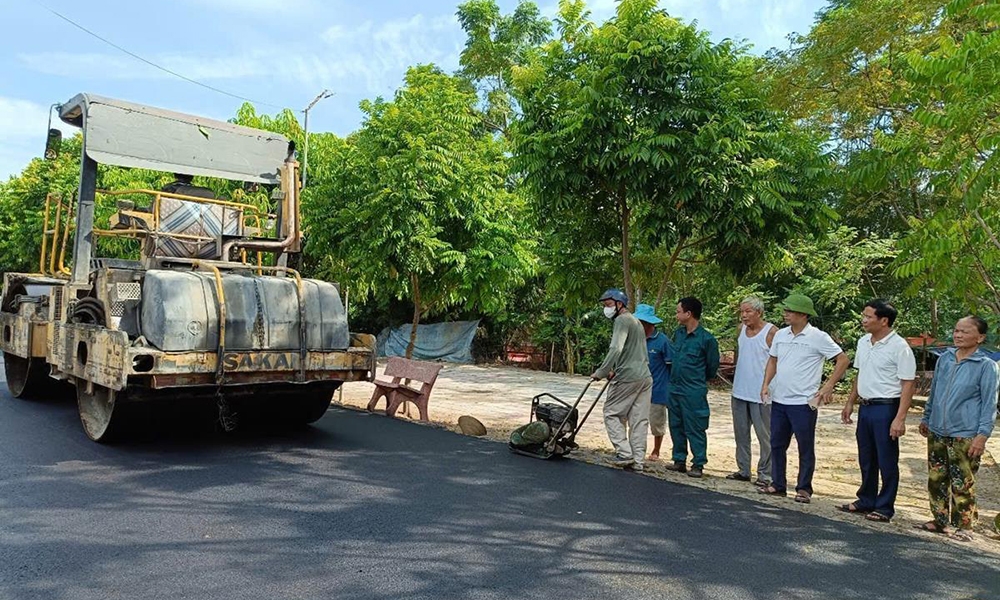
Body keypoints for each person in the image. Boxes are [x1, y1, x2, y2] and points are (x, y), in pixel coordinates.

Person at [759, 293, 849, 503]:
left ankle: (804, 488)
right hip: (780, 399)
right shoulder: (781, 334)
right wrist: (765, 384)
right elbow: (773, 361)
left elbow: (842, 359)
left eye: (790, 310)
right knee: (777, 443)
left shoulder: (818, 337)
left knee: (805, 446)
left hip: (803, 401)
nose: (786, 314)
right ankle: (778, 484)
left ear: (803, 314)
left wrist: (828, 386)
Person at [916, 316, 998, 542]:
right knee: (936, 477)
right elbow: (934, 392)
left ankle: (964, 526)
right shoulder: (945, 359)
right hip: (937, 430)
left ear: (980, 337)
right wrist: (926, 417)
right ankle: (940, 520)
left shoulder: (986, 366)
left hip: (965, 433)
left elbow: (989, 403)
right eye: (956, 330)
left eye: (965, 331)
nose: (958, 335)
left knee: (963, 481)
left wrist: (981, 436)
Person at [839, 300, 916, 523]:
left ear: (884, 320)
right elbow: (860, 373)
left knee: (887, 459)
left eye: (868, 317)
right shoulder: (864, 342)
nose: (863, 320)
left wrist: (900, 418)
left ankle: (884, 507)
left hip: (887, 407)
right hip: (866, 406)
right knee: (867, 457)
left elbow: (908, 384)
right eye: (863, 316)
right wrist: (850, 401)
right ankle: (866, 499)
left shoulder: (899, 347)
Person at [591, 289, 653, 472]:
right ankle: (638, 461)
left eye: (609, 305)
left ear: (619, 304)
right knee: (639, 419)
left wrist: (601, 371)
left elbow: (616, 348)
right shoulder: (636, 322)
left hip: (628, 376)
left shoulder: (621, 320)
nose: (606, 309)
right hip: (645, 376)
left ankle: (624, 453)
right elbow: (631, 351)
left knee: (611, 412)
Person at [665, 297, 719, 478]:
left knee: (695, 427)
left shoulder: (707, 339)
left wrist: (696, 381)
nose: (676, 315)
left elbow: (711, 367)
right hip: (675, 388)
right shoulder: (678, 334)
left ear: (689, 314)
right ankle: (679, 460)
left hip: (693, 390)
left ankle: (698, 463)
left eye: (678, 311)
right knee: (676, 425)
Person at [728, 296, 776, 485]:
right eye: (742, 312)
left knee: (765, 436)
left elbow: (777, 361)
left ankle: (766, 474)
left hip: (762, 393)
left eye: (748, 311)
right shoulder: (740, 330)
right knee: (741, 434)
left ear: (759, 312)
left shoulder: (771, 332)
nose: (744, 316)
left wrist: (769, 385)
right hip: (740, 390)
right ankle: (743, 469)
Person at [634, 304, 673, 461]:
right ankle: (637, 448)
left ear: (649, 324)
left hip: (657, 389)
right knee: (637, 421)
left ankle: (656, 450)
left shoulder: (663, 341)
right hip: (637, 387)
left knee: (657, 422)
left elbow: (671, 365)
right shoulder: (635, 339)